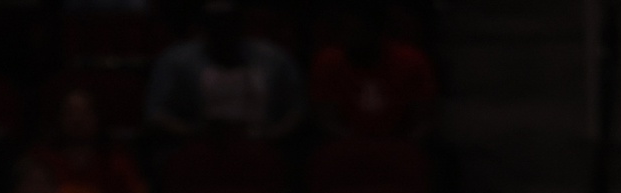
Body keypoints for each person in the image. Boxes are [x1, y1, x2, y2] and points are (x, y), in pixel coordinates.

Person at [145, 1, 304, 139]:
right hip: (198, 147)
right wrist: (192, 132)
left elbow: (297, 109)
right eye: (216, 22)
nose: (223, 30)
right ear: (203, 25)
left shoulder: (273, 59)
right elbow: (156, 113)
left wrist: (273, 134)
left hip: (263, 147)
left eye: (229, 22)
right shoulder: (176, 60)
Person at [310, 2, 437, 139]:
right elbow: (325, 118)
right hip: (345, 145)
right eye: (346, 30)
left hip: (399, 147)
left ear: (377, 30)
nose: (351, 38)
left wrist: (397, 144)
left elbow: (424, 117)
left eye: (359, 31)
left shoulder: (411, 61)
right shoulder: (328, 62)